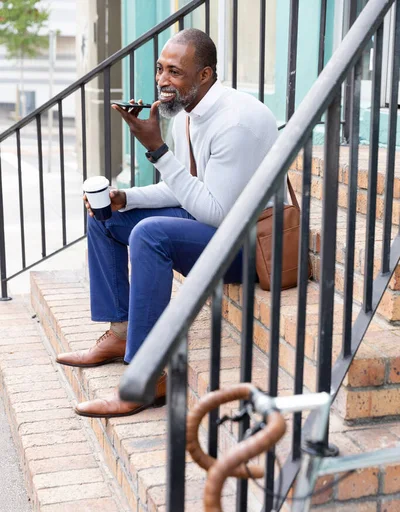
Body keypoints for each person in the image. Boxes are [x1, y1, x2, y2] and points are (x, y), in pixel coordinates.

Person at [56, 28, 278, 418]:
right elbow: (186, 189)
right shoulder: (187, 117)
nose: (162, 80)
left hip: (250, 248)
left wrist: (157, 150)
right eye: (161, 69)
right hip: (213, 229)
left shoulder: (236, 122)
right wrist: (126, 198)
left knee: (150, 233)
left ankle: (144, 376)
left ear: (205, 75)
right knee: (106, 215)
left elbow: (216, 211)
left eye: (175, 71)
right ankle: (121, 331)